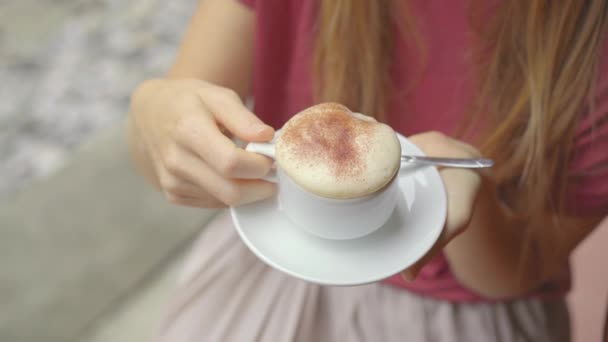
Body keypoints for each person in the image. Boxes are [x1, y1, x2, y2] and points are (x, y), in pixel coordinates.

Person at [127, 1, 608, 341]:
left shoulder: (589, 51)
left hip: (463, 318)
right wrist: (152, 114)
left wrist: (470, 204)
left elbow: (514, 275)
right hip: (269, 268)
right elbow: (173, 139)